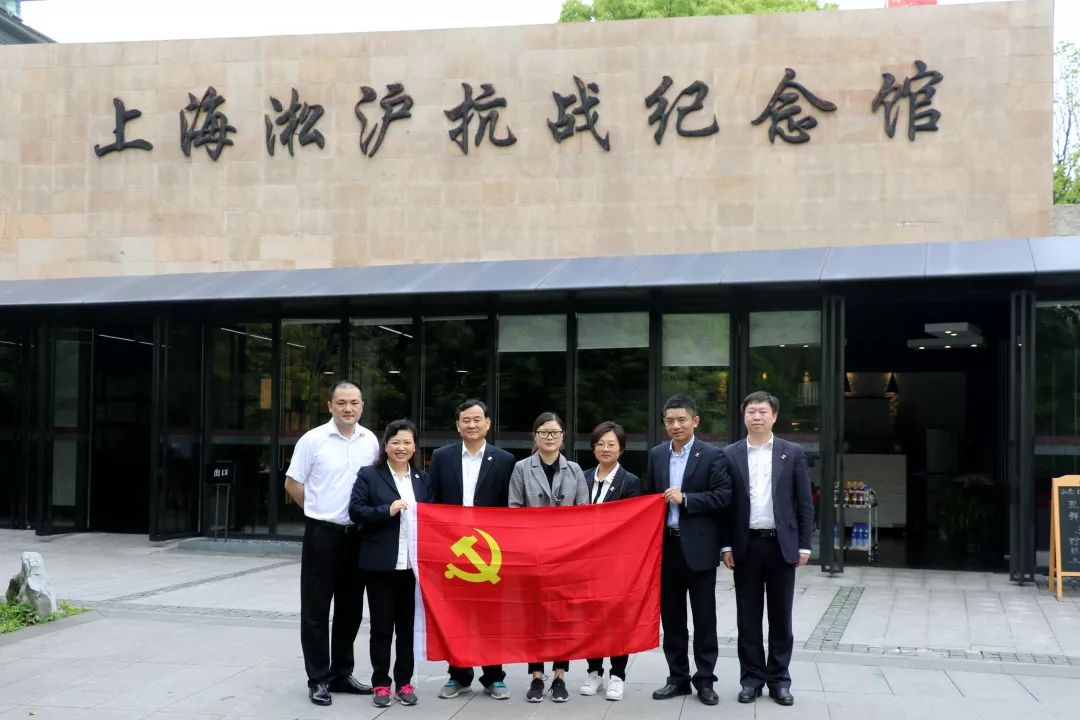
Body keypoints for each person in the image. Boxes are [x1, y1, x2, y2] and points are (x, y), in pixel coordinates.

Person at [284, 380, 378, 707]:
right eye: (341, 403)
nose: (348, 408)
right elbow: (292, 483)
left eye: (354, 402)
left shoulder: (370, 441)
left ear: (362, 406)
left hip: (358, 535)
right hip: (322, 534)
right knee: (316, 609)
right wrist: (316, 510)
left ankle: (341, 672)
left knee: (350, 609)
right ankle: (318, 678)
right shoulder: (313, 440)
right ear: (330, 406)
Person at [721, 391, 813, 707]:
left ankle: (779, 681)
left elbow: (804, 502)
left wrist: (804, 545)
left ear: (774, 416)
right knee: (747, 619)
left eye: (762, 411)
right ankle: (751, 680)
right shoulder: (730, 454)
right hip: (745, 545)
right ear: (744, 416)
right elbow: (726, 505)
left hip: (781, 545)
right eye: (751, 411)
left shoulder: (792, 452)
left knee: (780, 618)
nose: (756, 416)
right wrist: (726, 545)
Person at [645, 394, 732, 707]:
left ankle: (705, 680)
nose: (676, 425)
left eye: (682, 419)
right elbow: (648, 496)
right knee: (672, 618)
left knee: (704, 618)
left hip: (699, 549)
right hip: (666, 547)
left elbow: (723, 497)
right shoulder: (656, 454)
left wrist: (687, 499)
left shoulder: (712, 455)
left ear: (695, 421)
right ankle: (677, 678)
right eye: (670, 420)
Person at [429, 398, 516, 701]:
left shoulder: (504, 460)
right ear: (457, 425)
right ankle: (459, 675)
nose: (472, 424)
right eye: (466, 420)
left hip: (491, 551)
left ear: (488, 424)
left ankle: (494, 677)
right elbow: (432, 500)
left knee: (491, 616)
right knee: (456, 614)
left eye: (477, 419)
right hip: (453, 549)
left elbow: (509, 506)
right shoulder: (442, 457)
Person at [349, 418, 431, 708]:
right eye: (395, 442)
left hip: (412, 567)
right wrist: (388, 509)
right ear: (385, 446)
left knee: (407, 628)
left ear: (415, 447)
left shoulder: (422, 479)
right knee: (382, 628)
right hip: (380, 565)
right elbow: (356, 511)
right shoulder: (370, 475)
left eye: (407, 442)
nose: (401, 447)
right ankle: (381, 683)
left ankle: (404, 682)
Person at [508, 411, 589, 703]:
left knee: (562, 617)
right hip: (533, 554)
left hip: (565, 555)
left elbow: (584, 513)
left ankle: (559, 676)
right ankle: (536, 676)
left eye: (554, 432)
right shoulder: (521, 468)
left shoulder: (575, 470)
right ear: (535, 436)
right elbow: (514, 509)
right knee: (534, 617)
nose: (549, 437)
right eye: (544, 432)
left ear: (563, 436)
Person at [579, 421, 643, 702]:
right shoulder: (582, 477)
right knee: (590, 618)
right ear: (593, 447)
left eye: (611, 444)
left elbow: (632, 524)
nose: (605, 449)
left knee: (617, 619)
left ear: (621, 449)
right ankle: (594, 672)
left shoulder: (630, 482)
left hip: (617, 564)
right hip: (586, 563)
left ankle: (618, 675)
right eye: (600, 444)